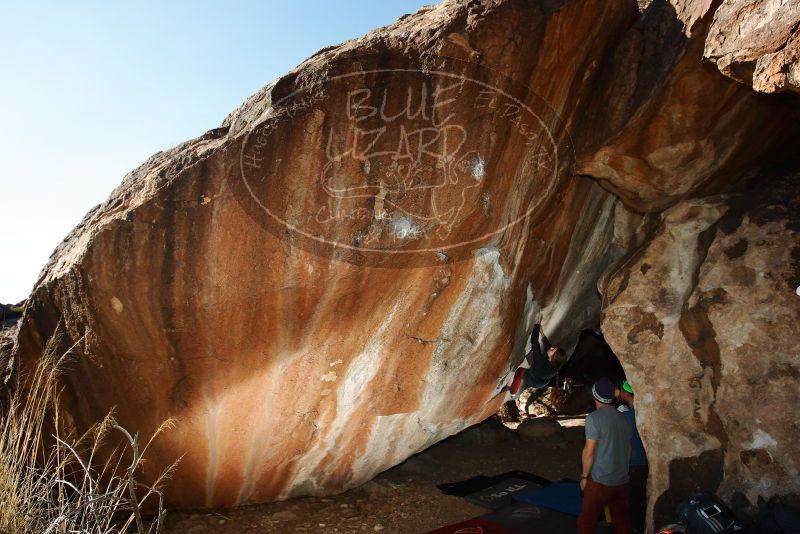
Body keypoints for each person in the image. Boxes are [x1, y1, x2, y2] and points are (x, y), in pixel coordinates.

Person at [578, 377, 632, 534]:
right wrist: (624, 471)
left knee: (586, 521)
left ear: (594, 395)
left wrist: (584, 477)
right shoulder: (623, 418)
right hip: (621, 480)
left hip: (600, 480)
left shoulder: (594, 418)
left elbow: (589, 452)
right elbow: (628, 449)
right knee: (622, 521)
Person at [618, 380, 648, 532]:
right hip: (647, 464)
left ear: (625, 393)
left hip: (632, 464)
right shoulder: (647, 415)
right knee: (642, 500)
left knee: (632, 504)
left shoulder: (626, 417)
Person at [508, 323, 566, 399]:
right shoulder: (555, 363)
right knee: (537, 359)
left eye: (553, 350)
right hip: (543, 380)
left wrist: (537, 327)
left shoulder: (540, 362)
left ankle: (513, 393)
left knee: (520, 372)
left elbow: (534, 342)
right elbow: (548, 347)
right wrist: (542, 333)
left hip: (535, 381)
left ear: (553, 358)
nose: (552, 348)